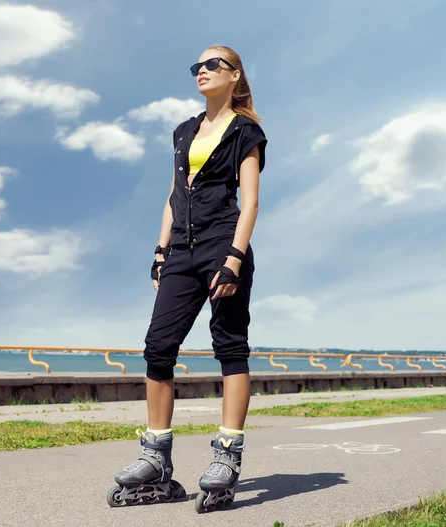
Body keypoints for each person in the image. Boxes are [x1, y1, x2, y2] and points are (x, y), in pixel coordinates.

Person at [107, 45, 267, 513]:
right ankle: (155, 458)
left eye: (213, 64)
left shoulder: (246, 131)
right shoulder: (184, 131)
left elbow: (251, 200)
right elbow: (174, 196)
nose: (202, 70)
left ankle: (227, 456)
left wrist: (235, 258)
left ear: (235, 76)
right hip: (181, 249)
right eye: (197, 65)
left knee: (229, 346)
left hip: (223, 243)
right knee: (158, 347)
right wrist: (161, 251)